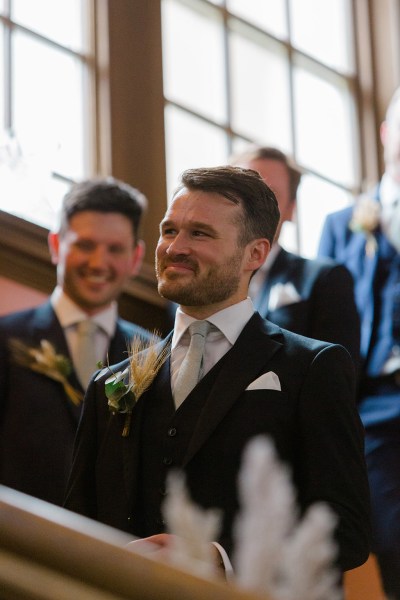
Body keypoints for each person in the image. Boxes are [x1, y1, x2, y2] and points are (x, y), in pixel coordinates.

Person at [64, 165, 370, 575]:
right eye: (169, 230)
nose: (174, 248)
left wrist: (220, 559)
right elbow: (77, 528)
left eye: (200, 234)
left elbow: (346, 533)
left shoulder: (312, 367)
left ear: (255, 254)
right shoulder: (109, 384)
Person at [0, 177, 152, 506]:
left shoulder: (155, 358)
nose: (98, 263)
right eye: (85, 245)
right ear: (56, 246)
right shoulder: (5, 338)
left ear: (136, 257)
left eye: (115, 249)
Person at [318, 87, 400, 598]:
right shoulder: (341, 225)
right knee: (388, 535)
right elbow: (327, 327)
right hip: (374, 403)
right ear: (386, 133)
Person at [232, 146, 360, 365]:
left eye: (269, 196)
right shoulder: (196, 279)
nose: (252, 205)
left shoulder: (325, 280)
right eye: (241, 193)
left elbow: (338, 375)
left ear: (291, 209)